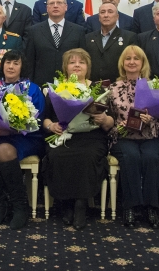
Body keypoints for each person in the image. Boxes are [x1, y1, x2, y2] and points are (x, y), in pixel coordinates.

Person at [42, 49, 113, 229]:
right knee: (57, 156)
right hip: (64, 135)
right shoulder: (58, 89)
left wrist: (104, 119)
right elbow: (46, 118)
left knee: (88, 156)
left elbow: (111, 120)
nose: (76, 66)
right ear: (65, 67)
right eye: (72, 62)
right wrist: (52, 126)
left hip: (92, 137)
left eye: (81, 62)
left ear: (87, 67)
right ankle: (66, 204)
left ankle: (81, 204)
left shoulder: (98, 88)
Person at [0, 50, 45, 229]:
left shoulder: (32, 89)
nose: (11, 66)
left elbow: (37, 120)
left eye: (16, 63)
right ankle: (1, 204)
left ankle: (20, 206)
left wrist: (9, 131)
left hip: (25, 137)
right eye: (8, 63)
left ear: (22, 67)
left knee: (3, 151)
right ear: (2, 65)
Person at [108, 45, 159, 228]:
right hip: (123, 138)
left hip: (149, 137)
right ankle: (130, 207)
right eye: (128, 59)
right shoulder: (113, 88)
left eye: (136, 58)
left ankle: (151, 207)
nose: (132, 62)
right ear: (122, 63)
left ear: (143, 63)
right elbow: (107, 118)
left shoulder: (153, 86)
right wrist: (119, 125)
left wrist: (151, 120)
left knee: (151, 157)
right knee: (130, 157)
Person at [25, 0, 86, 86]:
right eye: (52, 3)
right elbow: (29, 61)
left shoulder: (78, 31)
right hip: (41, 84)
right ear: (47, 8)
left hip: (71, 85)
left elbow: (83, 60)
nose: (55, 6)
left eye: (59, 3)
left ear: (66, 7)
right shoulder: (34, 31)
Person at [85, 3, 137, 83]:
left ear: (117, 17)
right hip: (92, 85)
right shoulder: (88, 37)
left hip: (119, 85)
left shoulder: (129, 37)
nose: (106, 15)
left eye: (110, 12)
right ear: (99, 17)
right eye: (102, 12)